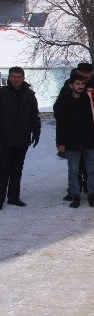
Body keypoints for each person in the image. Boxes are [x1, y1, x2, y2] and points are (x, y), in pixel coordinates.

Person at [54, 74, 94, 208]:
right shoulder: (64, 102)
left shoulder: (90, 100)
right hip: (71, 142)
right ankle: (75, 195)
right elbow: (60, 124)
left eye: (82, 84)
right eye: (77, 84)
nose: (80, 86)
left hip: (89, 141)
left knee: (91, 170)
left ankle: (92, 194)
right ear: (71, 86)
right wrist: (60, 143)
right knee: (73, 170)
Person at [0, 67, 40, 210]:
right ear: (9, 78)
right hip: (5, 137)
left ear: (23, 78)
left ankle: (13, 197)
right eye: (13, 76)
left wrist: (36, 132)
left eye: (18, 76)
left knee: (17, 168)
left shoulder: (29, 94)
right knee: (3, 169)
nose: (16, 79)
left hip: (22, 137)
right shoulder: (2, 93)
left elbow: (34, 115)